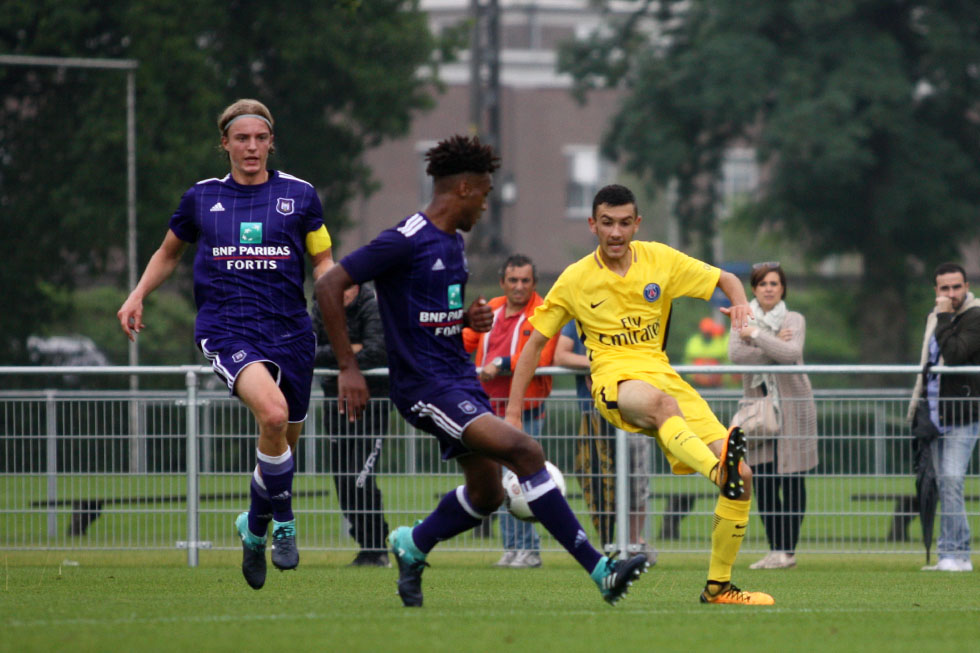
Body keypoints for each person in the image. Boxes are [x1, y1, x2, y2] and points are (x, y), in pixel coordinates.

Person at [314, 135, 648, 607]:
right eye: (487, 194)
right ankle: (602, 570)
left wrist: (466, 319)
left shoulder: (453, 242)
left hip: (459, 377)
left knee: (488, 494)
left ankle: (412, 545)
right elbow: (329, 285)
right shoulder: (404, 239)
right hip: (426, 387)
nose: (487, 205)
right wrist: (348, 366)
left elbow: (432, 312)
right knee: (525, 449)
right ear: (466, 189)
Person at [507, 183, 775, 605]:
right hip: (614, 380)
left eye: (624, 223)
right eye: (607, 223)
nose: (616, 232)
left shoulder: (659, 259)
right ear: (593, 224)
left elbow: (726, 279)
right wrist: (514, 416)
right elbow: (534, 347)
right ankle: (715, 471)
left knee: (743, 477)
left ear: (637, 224)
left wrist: (741, 305)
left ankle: (719, 587)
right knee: (665, 410)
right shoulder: (575, 279)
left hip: (663, 374)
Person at [117, 99, 334, 590]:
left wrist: (335, 282)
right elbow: (169, 252)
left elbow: (322, 257)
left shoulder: (300, 196)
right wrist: (137, 293)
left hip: (292, 332)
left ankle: (252, 528)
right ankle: (284, 524)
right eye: (242, 139)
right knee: (273, 416)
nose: (251, 147)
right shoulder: (201, 198)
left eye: (260, 138)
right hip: (228, 328)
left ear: (271, 141)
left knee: (279, 442)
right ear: (226, 144)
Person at [462, 253, 558, 569]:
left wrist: (501, 365)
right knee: (501, 483)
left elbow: (541, 358)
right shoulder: (491, 309)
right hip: (489, 411)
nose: (519, 287)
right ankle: (512, 547)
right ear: (503, 282)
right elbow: (465, 342)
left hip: (526, 411)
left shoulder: (544, 313)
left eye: (525, 281)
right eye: (513, 280)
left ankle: (530, 550)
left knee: (524, 480)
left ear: (534, 283)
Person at [729, 262, 818, 570]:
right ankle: (774, 549)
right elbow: (736, 355)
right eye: (763, 283)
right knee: (763, 481)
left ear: (783, 289)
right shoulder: (743, 316)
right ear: (754, 289)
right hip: (759, 412)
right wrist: (772, 341)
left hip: (794, 408)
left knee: (793, 480)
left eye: (775, 283)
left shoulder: (794, 318)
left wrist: (754, 335)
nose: (769, 288)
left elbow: (791, 353)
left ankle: (787, 552)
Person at [554, 319, 656, 562]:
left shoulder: (637, 316)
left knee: (637, 481)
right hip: (595, 413)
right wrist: (595, 364)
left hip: (633, 410)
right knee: (596, 478)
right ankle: (608, 544)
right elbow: (561, 355)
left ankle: (634, 543)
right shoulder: (578, 317)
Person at [907, 262, 980, 572]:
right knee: (940, 482)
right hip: (935, 414)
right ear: (936, 290)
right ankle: (947, 554)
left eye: (956, 287)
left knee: (951, 478)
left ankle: (959, 553)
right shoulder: (936, 317)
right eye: (945, 288)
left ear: (966, 286)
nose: (951, 293)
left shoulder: (975, 316)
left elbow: (953, 355)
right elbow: (928, 363)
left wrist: (944, 316)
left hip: (964, 413)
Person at [312, 281, 391, 567]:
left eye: (348, 287)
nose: (343, 293)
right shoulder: (322, 301)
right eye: (339, 288)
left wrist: (337, 353)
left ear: (358, 287)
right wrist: (347, 351)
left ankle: (376, 548)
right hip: (335, 402)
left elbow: (378, 351)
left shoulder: (373, 305)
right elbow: (307, 349)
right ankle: (366, 547)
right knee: (343, 480)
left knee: (361, 477)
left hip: (374, 403)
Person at [683, 317, 731, 388]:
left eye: (709, 332)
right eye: (705, 332)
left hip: (717, 381)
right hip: (696, 380)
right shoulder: (694, 341)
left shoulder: (719, 340)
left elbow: (724, 357)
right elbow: (689, 359)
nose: (707, 334)